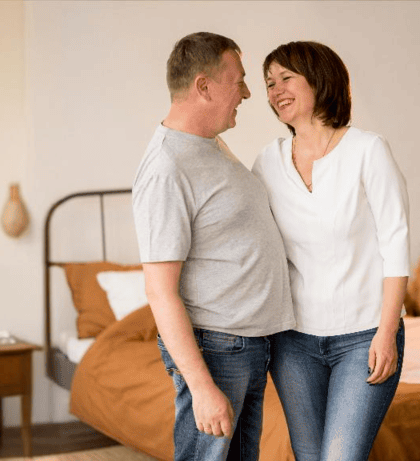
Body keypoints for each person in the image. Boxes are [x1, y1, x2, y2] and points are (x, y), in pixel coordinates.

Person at [133, 32, 295, 461]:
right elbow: (159, 290)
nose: (246, 92)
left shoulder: (207, 145)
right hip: (219, 348)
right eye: (238, 80)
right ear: (204, 86)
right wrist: (203, 388)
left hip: (248, 344)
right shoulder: (167, 168)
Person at [251, 41, 410, 461]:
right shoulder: (266, 163)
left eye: (286, 78)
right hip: (293, 341)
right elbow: (252, 241)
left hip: (363, 336)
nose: (275, 90)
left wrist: (387, 332)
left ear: (320, 79)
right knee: (308, 455)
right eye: (269, 83)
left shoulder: (367, 151)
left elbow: (396, 243)